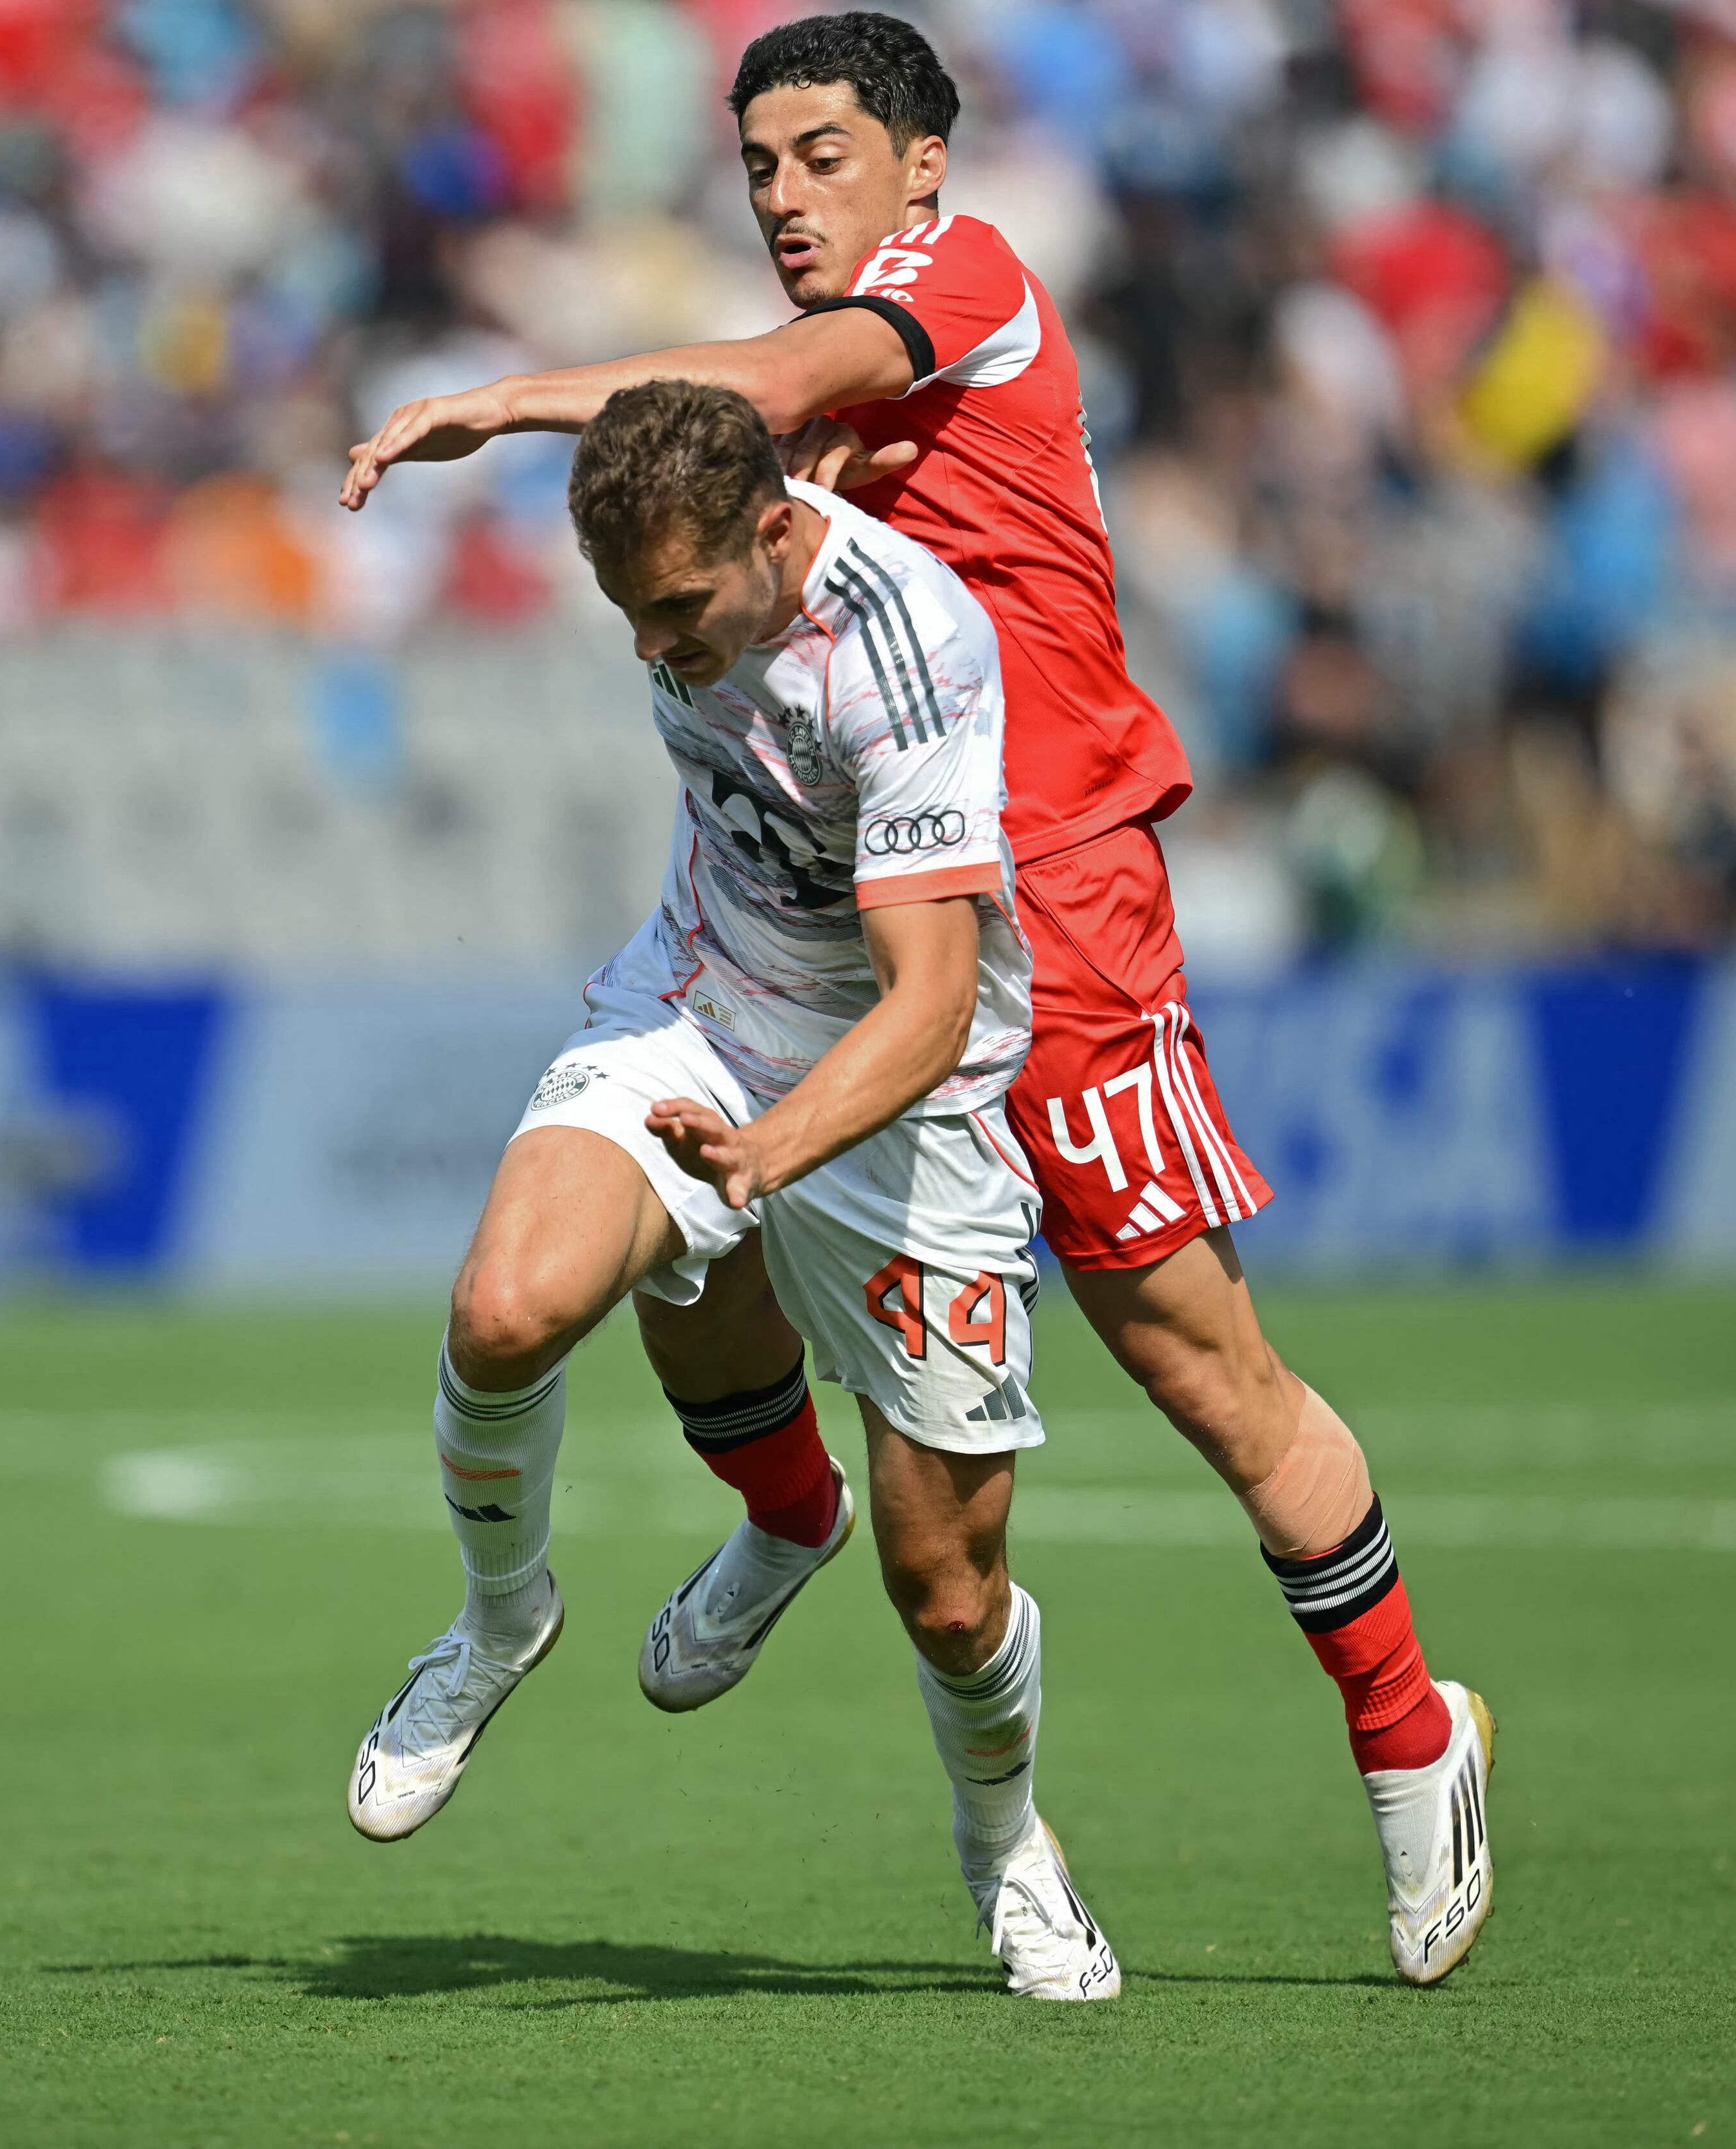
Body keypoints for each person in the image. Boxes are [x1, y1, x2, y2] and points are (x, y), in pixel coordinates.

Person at [341, 12, 1494, 1985]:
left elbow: (781, 381)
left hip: (1059, 905)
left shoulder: (950, 284)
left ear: (920, 164)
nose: (784, 196)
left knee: (1188, 1356)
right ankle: (771, 1521)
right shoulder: (756, 446)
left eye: (819, 156)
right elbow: (734, 445)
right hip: (802, 926)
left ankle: (1411, 1732)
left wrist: (504, 395)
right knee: (655, 1256)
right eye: (760, 166)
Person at [348, 380, 1123, 2001]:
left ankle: (1007, 1848)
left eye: (680, 612)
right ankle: (500, 1622)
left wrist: (767, 1164)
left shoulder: (905, 651)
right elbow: (692, 396)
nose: (655, 650)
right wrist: (489, 411)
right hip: (700, 1008)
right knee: (504, 1313)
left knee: (950, 1592)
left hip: (909, 1083)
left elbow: (925, 998)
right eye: (629, 618)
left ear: (774, 536)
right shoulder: (706, 546)